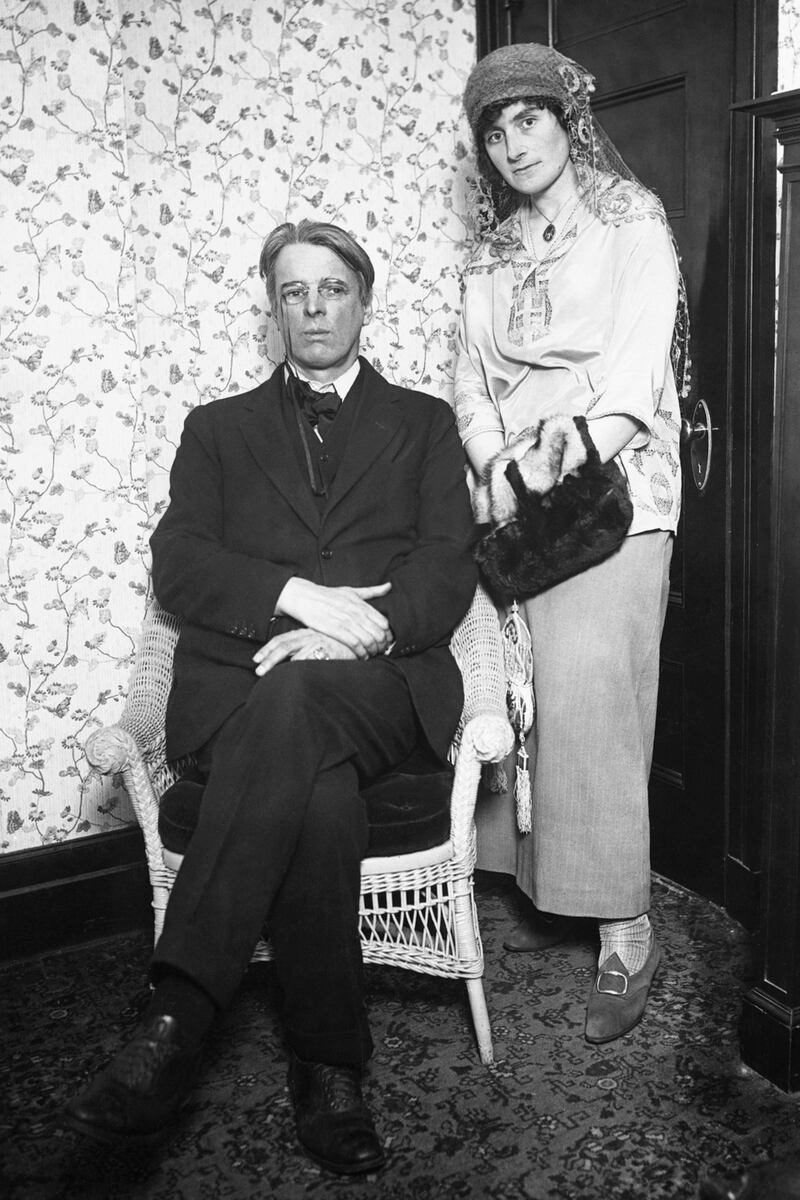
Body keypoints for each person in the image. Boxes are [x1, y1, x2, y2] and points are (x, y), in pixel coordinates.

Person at [63, 219, 476, 1174]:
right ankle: (330, 1068)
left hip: (383, 681)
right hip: (244, 694)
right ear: (273, 309)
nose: (314, 309)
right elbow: (182, 565)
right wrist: (293, 598)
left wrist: (354, 629)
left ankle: (174, 1020)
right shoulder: (217, 429)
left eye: (332, 289)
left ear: (363, 301)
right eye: (294, 293)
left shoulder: (421, 423)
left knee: (305, 710)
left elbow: (448, 565)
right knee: (316, 783)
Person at [453, 43, 688, 1044]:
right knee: (522, 678)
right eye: (494, 131)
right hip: (514, 490)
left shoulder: (628, 222)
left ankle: (622, 927)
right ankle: (537, 879)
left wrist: (565, 456)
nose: (513, 145)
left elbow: (637, 366)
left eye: (528, 120)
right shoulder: (484, 256)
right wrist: (498, 465)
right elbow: (468, 377)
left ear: (566, 119)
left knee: (592, 679)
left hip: (614, 486)